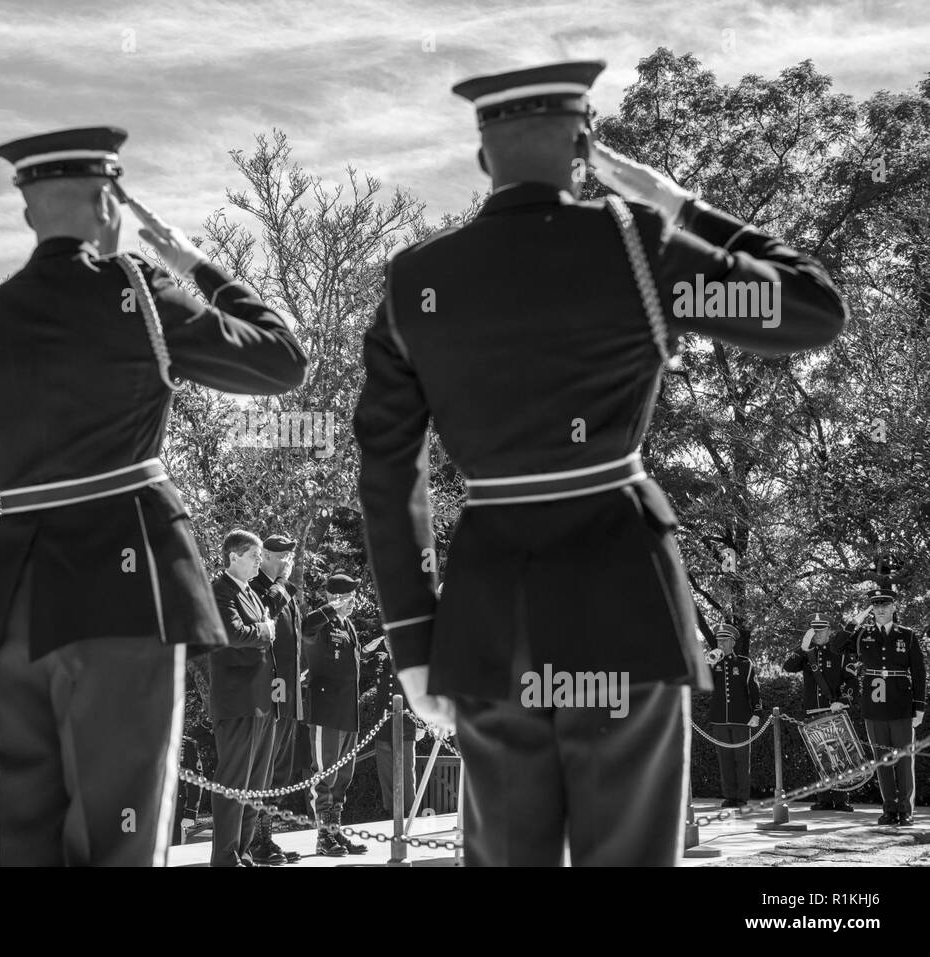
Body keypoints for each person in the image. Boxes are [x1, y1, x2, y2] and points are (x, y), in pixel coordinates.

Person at [353, 60, 847, 866]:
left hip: (491, 611)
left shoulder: (418, 282)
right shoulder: (638, 246)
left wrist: (414, 642)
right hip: (625, 596)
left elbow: (386, 468)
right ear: (585, 145)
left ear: (483, 156)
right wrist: (674, 200)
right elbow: (811, 306)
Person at [0, 127, 307, 868]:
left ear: (28, 213)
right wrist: (190, 259)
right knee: (119, 833)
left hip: (10, 604)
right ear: (109, 204)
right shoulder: (138, 293)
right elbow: (282, 359)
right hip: (127, 591)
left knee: (20, 834)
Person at [209, 530, 279, 867]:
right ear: (234, 556)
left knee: (255, 785)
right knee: (233, 783)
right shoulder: (219, 591)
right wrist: (266, 631)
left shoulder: (250, 592)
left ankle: (244, 850)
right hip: (236, 701)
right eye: (254, 556)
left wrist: (263, 630)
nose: (259, 562)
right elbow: (233, 634)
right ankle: (225, 857)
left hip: (261, 700)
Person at [247, 533, 304, 865]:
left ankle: (267, 838)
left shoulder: (285, 590)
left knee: (279, 772)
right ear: (266, 555)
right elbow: (267, 610)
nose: (288, 562)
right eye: (283, 556)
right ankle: (254, 840)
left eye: (289, 556)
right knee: (263, 769)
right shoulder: (257, 589)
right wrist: (283, 581)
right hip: (268, 694)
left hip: (289, 693)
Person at [303, 572, 367, 857]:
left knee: (342, 775)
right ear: (335, 596)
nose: (353, 601)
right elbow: (304, 627)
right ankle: (323, 837)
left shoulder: (348, 625)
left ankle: (335, 832)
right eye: (349, 595)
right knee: (325, 774)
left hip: (347, 711)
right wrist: (331, 608)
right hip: (326, 710)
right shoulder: (321, 622)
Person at [849, 588, 925, 825]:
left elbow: (919, 672)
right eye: (876, 605)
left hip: (901, 705)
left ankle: (906, 810)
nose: (880, 609)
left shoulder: (907, 635)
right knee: (881, 760)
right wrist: (854, 622)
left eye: (885, 605)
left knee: (903, 759)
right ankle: (889, 809)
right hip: (874, 708)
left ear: (894, 608)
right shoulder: (864, 634)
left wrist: (919, 707)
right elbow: (837, 646)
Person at [782, 613, 859, 810]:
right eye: (814, 630)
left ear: (829, 631)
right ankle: (823, 799)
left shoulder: (839, 653)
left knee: (840, 753)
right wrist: (803, 647)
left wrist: (843, 700)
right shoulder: (807, 652)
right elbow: (788, 667)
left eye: (821, 630)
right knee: (820, 755)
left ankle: (842, 799)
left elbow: (852, 681)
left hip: (834, 710)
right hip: (813, 711)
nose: (817, 633)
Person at [705, 624, 762, 808]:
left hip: (741, 719)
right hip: (720, 719)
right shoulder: (713, 664)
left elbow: (754, 690)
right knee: (725, 758)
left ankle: (742, 797)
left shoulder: (744, 663)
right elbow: (704, 685)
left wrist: (757, 712)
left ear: (732, 642)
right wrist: (710, 665)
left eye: (724, 640)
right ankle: (729, 796)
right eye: (719, 640)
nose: (720, 643)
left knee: (741, 758)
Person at [362, 646, 423, 818]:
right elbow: (357, 664)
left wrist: (422, 725)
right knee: (386, 771)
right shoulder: (379, 659)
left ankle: (410, 812)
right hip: (383, 724)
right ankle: (391, 812)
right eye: (387, 639)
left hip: (406, 724)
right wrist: (366, 649)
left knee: (406, 771)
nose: (390, 642)